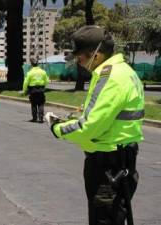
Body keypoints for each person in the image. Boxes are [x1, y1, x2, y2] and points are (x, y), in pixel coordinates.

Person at [46, 25, 144, 225]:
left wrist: (58, 128)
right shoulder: (124, 71)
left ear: (96, 55)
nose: (80, 63)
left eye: (81, 57)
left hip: (108, 168)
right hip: (120, 162)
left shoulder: (109, 77)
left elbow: (90, 126)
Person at [22, 58, 49, 123]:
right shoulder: (43, 72)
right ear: (38, 64)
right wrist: (44, 86)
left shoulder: (30, 73)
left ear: (31, 64)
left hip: (32, 89)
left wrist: (24, 90)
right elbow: (47, 81)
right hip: (41, 89)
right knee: (41, 104)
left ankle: (34, 118)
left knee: (33, 104)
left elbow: (26, 82)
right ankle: (41, 118)